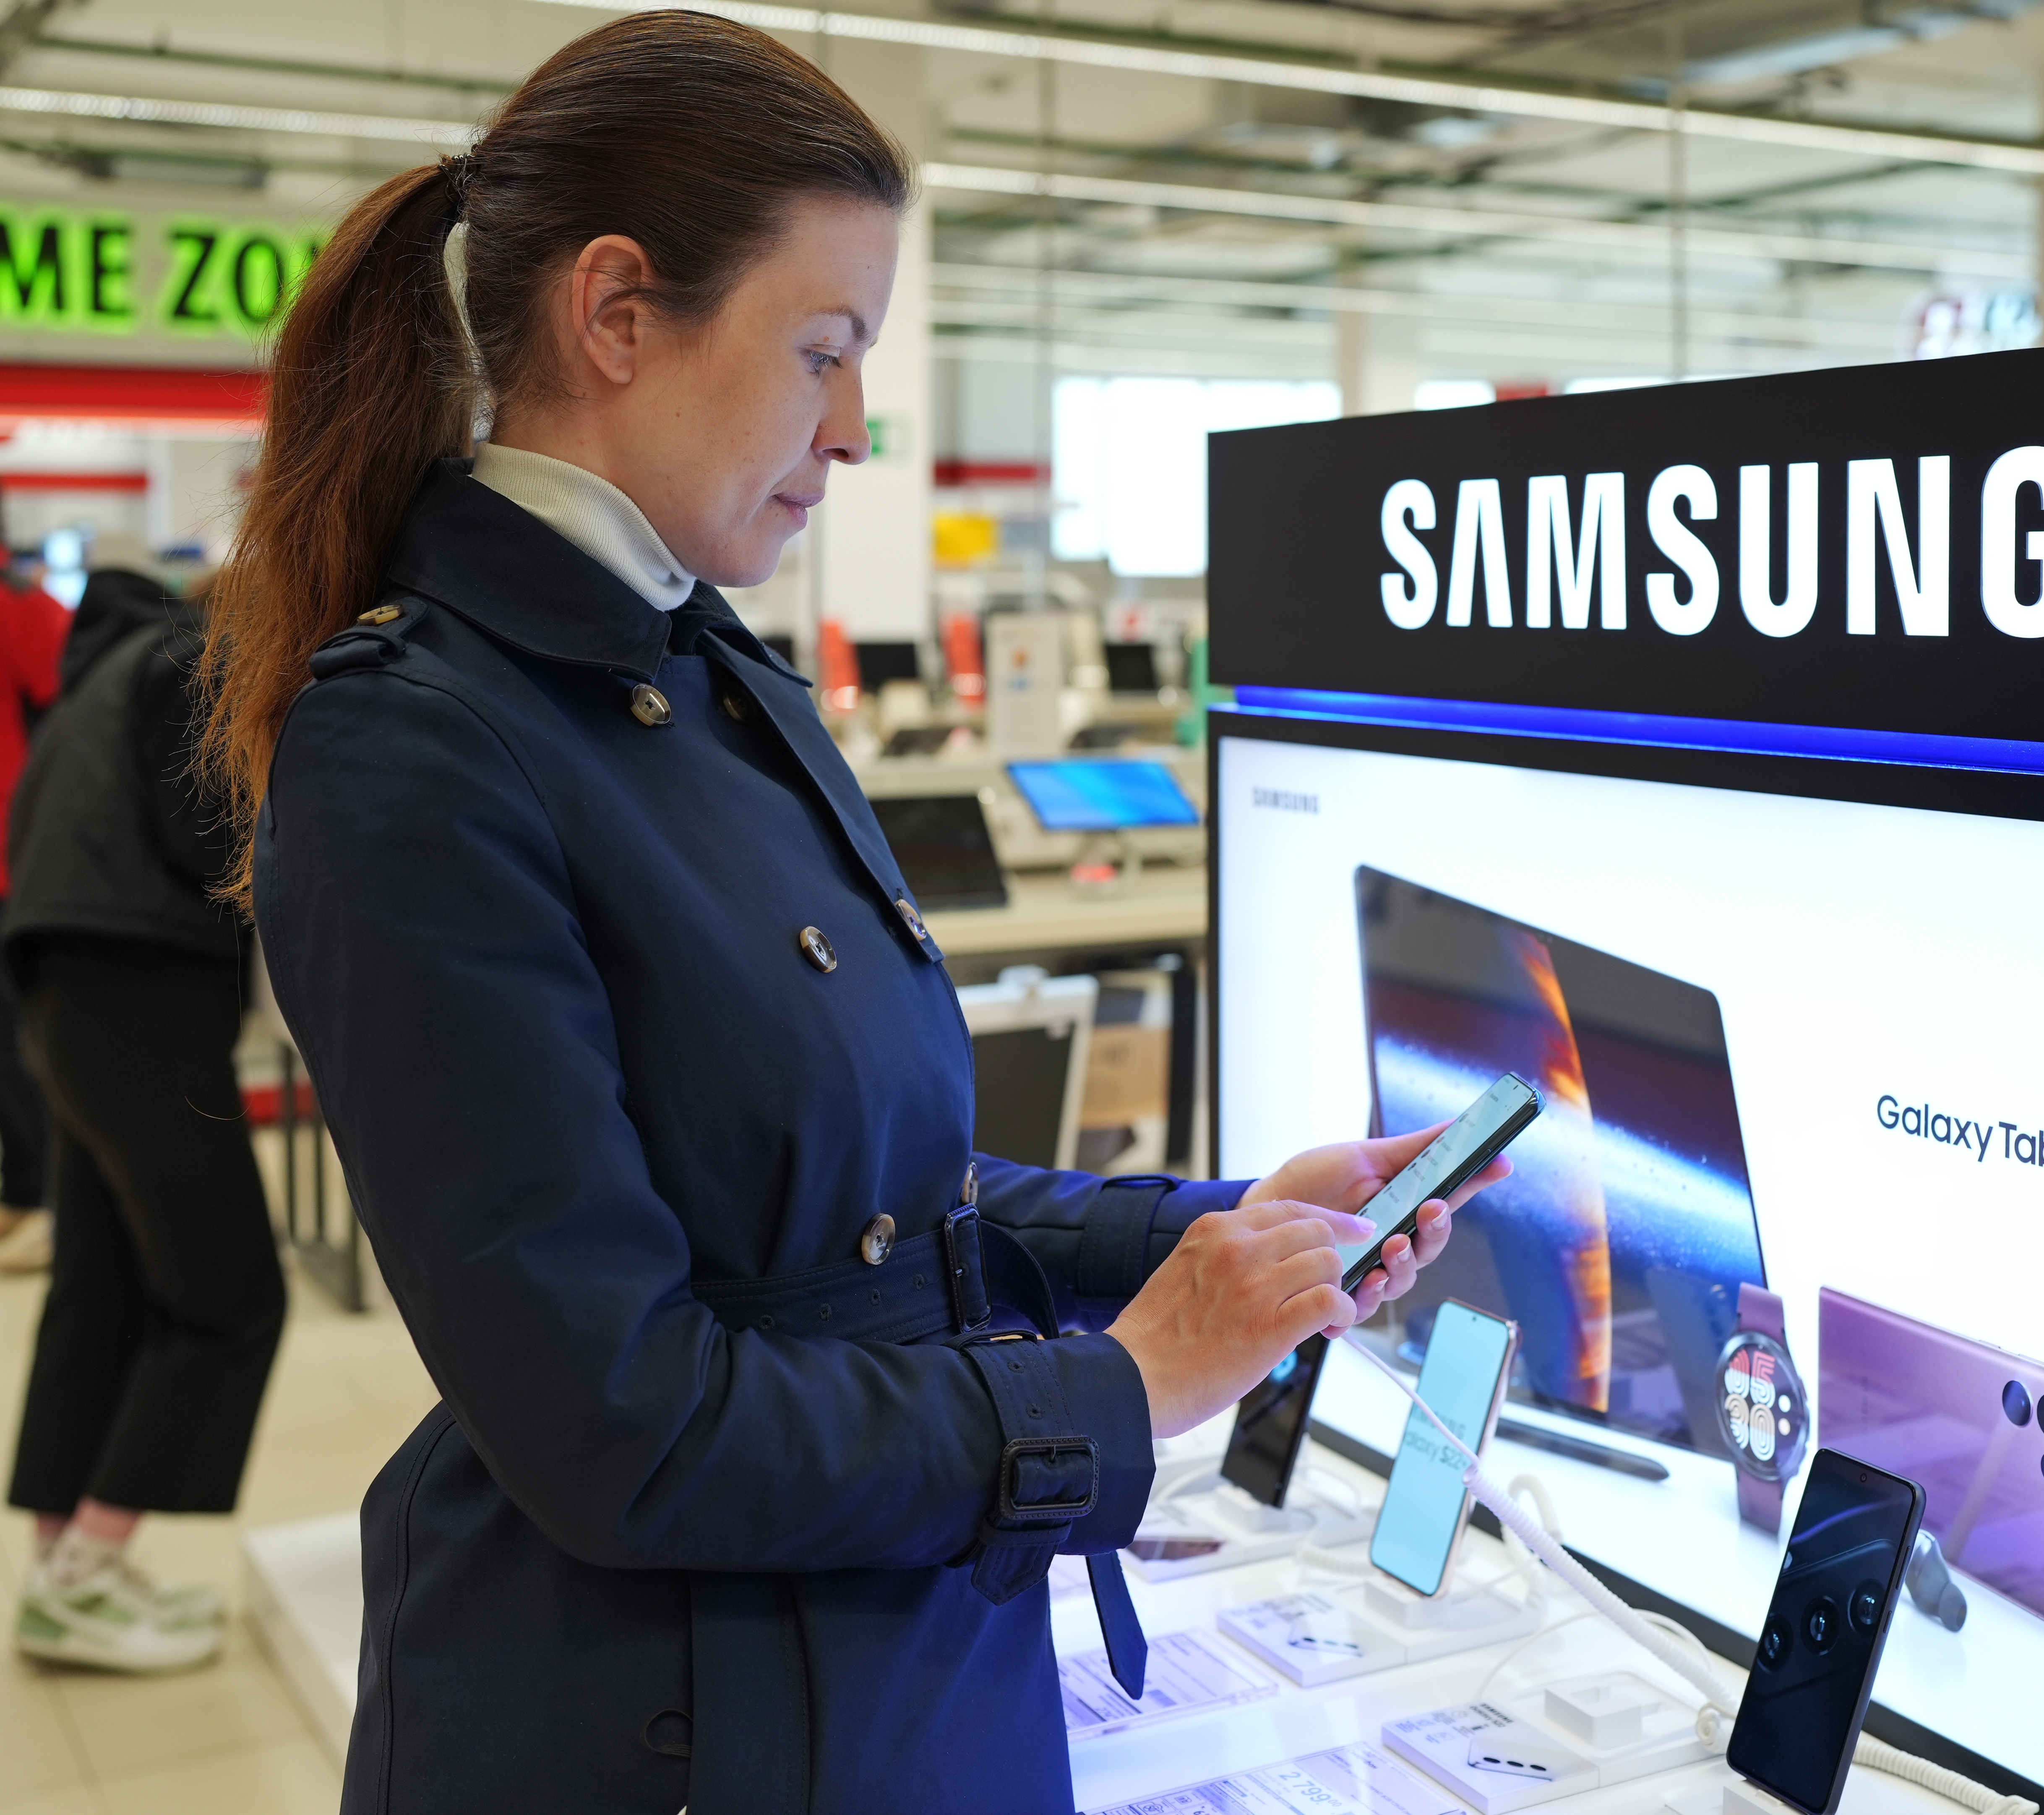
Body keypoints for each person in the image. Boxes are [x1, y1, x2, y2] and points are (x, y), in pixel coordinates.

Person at [198, 14, 1501, 1811]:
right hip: (667, 1720)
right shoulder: (421, 747)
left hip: (891, 1642)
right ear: (617, 312)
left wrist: (1209, 1234)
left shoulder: (713, 668)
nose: (859, 426)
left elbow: (858, 1202)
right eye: (822, 350)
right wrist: (1124, 1386)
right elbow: (622, 1424)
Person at [5, 566, 282, 1672]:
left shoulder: (96, 677)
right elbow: (206, 837)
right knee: (232, 1297)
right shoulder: (186, 664)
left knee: (102, 1285)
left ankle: (66, 1563)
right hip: (145, 992)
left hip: (64, 995)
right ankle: (88, 1566)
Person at [0, 568, 69, 1274]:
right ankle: (24, 1188)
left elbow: (58, 690)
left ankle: (49, 1199)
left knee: (18, 1038)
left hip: (12, 861)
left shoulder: (20, 604)